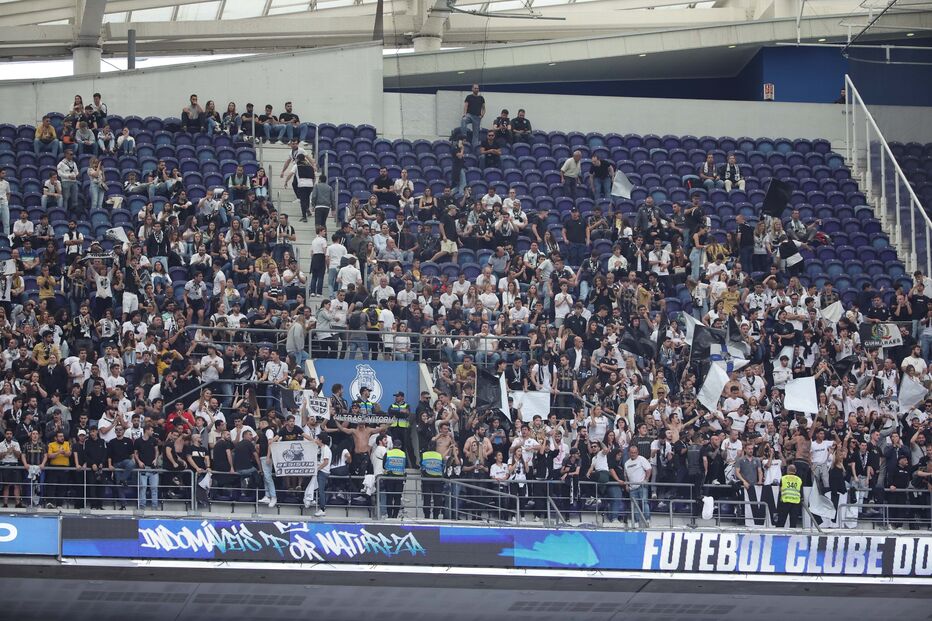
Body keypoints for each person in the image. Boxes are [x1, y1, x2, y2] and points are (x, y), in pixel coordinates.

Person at [624, 445, 652, 526]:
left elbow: (649, 469)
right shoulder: (626, 463)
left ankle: (647, 519)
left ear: (637, 452)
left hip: (641, 486)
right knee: (634, 505)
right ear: (629, 453)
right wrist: (626, 484)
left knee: (644, 502)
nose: (633, 454)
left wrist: (646, 480)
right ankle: (636, 521)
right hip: (632, 488)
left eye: (635, 452)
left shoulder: (642, 459)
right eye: (632, 453)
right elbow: (625, 475)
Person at [134, 424, 160, 509]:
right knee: (143, 488)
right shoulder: (138, 441)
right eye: (151, 430)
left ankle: (155, 507)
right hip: (143, 468)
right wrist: (139, 461)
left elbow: (157, 451)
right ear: (147, 430)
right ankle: (142, 507)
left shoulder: (154, 440)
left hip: (153, 468)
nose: (152, 432)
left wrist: (156, 459)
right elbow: (135, 453)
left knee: (154, 488)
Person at [420, 443, 445, 519]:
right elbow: (442, 466)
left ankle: (427, 516)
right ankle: (436, 516)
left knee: (427, 499)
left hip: (427, 479)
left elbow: (421, 465)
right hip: (438, 479)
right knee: (437, 499)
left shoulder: (424, 455)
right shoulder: (439, 455)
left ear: (428, 447)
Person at [383, 443, 407, 518]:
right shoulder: (403, 454)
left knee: (389, 497)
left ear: (393, 445)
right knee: (397, 497)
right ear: (400, 446)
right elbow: (405, 465)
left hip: (389, 477)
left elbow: (383, 465)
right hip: (399, 478)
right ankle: (395, 515)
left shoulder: (388, 453)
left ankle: (389, 515)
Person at [777, 463, 803, 527]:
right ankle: (792, 536)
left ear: (787, 471)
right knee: (793, 524)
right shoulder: (799, 480)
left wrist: (778, 504)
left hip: (785, 502)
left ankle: (779, 536)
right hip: (795, 503)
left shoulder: (783, 478)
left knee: (781, 522)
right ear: (795, 471)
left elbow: (780, 491)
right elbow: (801, 492)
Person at [460, 83, 485, 148]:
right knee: (463, 120)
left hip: (477, 117)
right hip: (469, 115)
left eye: (477, 88)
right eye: (475, 88)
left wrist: (482, 115)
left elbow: (483, 108)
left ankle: (474, 148)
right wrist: (464, 114)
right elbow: (466, 106)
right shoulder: (469, 97)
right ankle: (464, 137)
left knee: (476, 135)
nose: (476, 89)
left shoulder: (481, 98)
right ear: (472, 89)